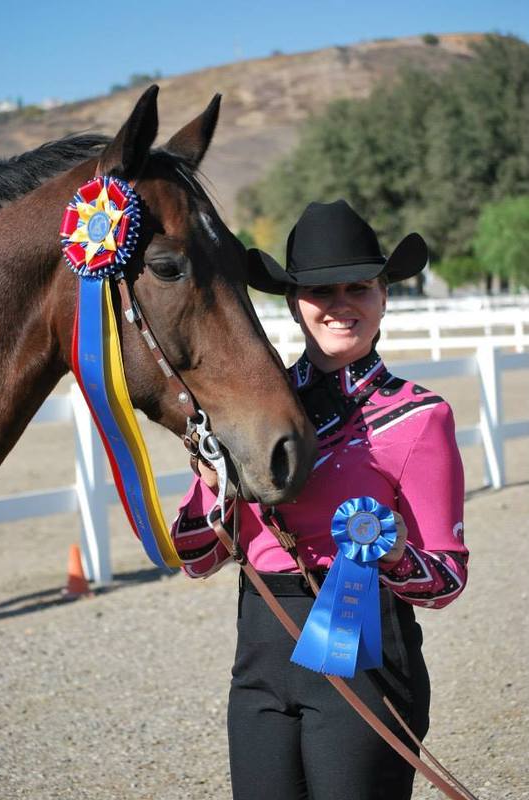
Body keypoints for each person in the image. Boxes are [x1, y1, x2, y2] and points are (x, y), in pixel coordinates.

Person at [171, 200, 468, 800]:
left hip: (363, 660)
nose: (340, 305)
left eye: (358, 287)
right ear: (292, 302)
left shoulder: (420, 417)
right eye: (319, 290)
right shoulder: (248, 418)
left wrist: (392, 550)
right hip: (260, 656)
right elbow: (195, 557)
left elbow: (446, 580)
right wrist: (213, 482)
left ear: (384, 295)